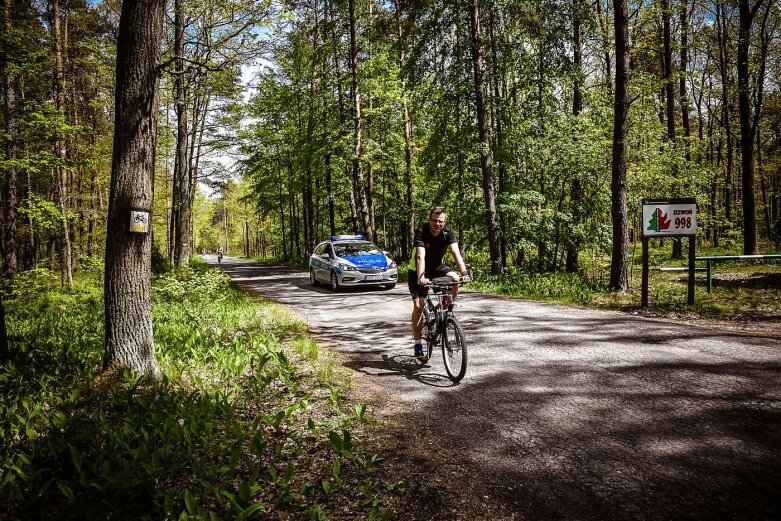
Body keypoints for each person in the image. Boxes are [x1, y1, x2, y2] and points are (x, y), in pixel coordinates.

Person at [408, 207, 469, 361]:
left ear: (444, 222)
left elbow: (456, 253)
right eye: (434, 220)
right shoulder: (422, 231)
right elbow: (420, 256)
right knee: (419, 306)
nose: (437, 224)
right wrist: (421, 277)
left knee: (455, 279)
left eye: (440, 221)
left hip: (437, 267)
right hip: (418, 270)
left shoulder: (448, 232)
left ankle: (447, 309)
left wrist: (464, 273)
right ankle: (417, 343)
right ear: (429, 220)